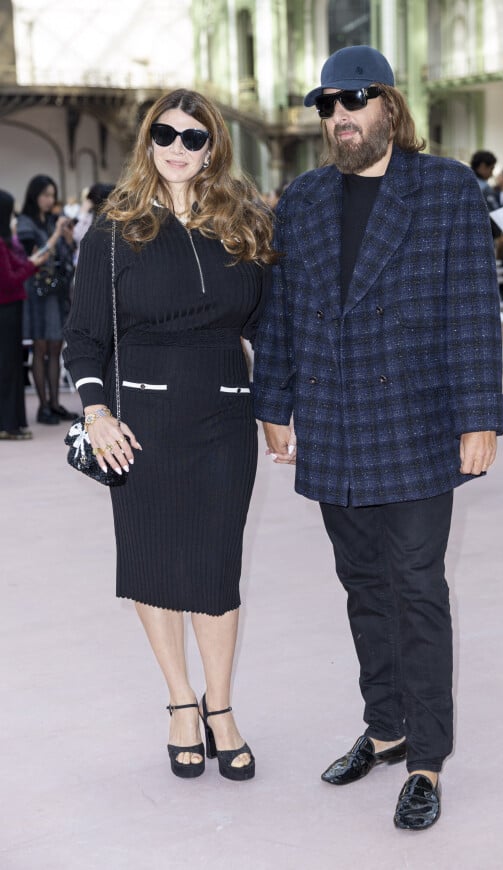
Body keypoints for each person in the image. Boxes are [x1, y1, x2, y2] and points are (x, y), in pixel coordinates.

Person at [252, 45, 503, 830]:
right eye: (328, 105)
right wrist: (274, 404)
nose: (340, 117)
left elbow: (472, 308)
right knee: (362, 585)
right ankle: (386, 725)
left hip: (419, 425)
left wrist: (479, 415)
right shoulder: (302, 198)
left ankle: (426, 756)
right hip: (335, 424)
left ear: (389, 105)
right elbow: (283, 311)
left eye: (355, 100)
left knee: (416, 590)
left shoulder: (446, 189)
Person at [63, 88, 276, 781]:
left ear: (213, 147)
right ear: (147, 142)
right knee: (153, 561)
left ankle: (221, 707)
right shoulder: (114, 230)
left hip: (223, 415)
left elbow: (268, 327)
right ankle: (181, 702)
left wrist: (283, 402)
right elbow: (85, 337)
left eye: (194, 137)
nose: (178, 149)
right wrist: (96, 414)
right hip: (139, 423)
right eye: (165, 135)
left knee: (215, 568)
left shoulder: (241, 225)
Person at [16, 175, 77, 425]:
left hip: (56, 293)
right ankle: (43, 406)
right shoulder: (25, 222)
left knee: (55, 348)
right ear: (35, 195)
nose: (50, 200)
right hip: (36, 294)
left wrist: (69, 239)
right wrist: (55, 237)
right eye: (45, 194)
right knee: (40, 349)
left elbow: (65, 256)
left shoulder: (53, 220)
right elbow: (34, 257)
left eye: (52, 195)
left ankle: (55, 403)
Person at [0, 190, 50, 440]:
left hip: (10, 309)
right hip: (5, 310)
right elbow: (8, 280)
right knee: (7, 369)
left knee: (11, 368)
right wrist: (33, 265)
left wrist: (31, 262)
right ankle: (7, 424)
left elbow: (14, 266)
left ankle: (11, 422)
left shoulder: (4, 241)